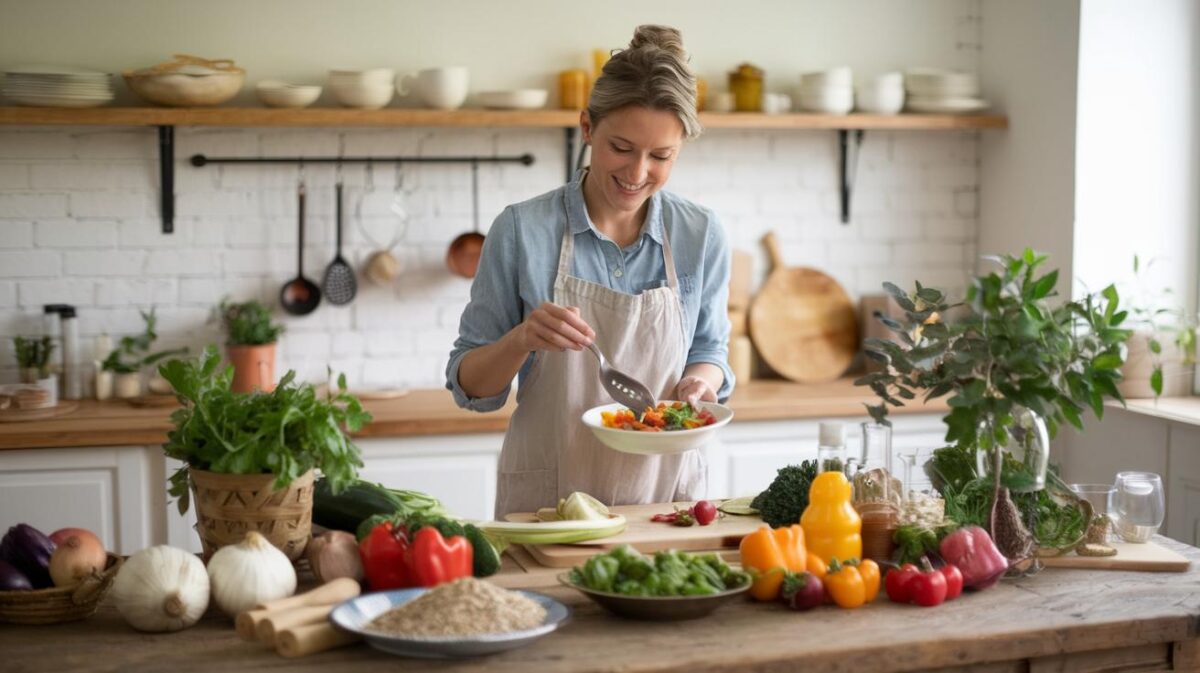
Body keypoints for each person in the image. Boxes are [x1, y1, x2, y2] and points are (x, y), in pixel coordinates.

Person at [445, 25, 733, 517]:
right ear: (587, 128)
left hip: (667, 502)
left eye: (661, 156)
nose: (638, 173)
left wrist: (700, 384)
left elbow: (709, 349)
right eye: (621, 147)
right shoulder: (521, 230)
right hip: (549, 504)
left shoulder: (700, 233)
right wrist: (521, 340)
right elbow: (469, 385)